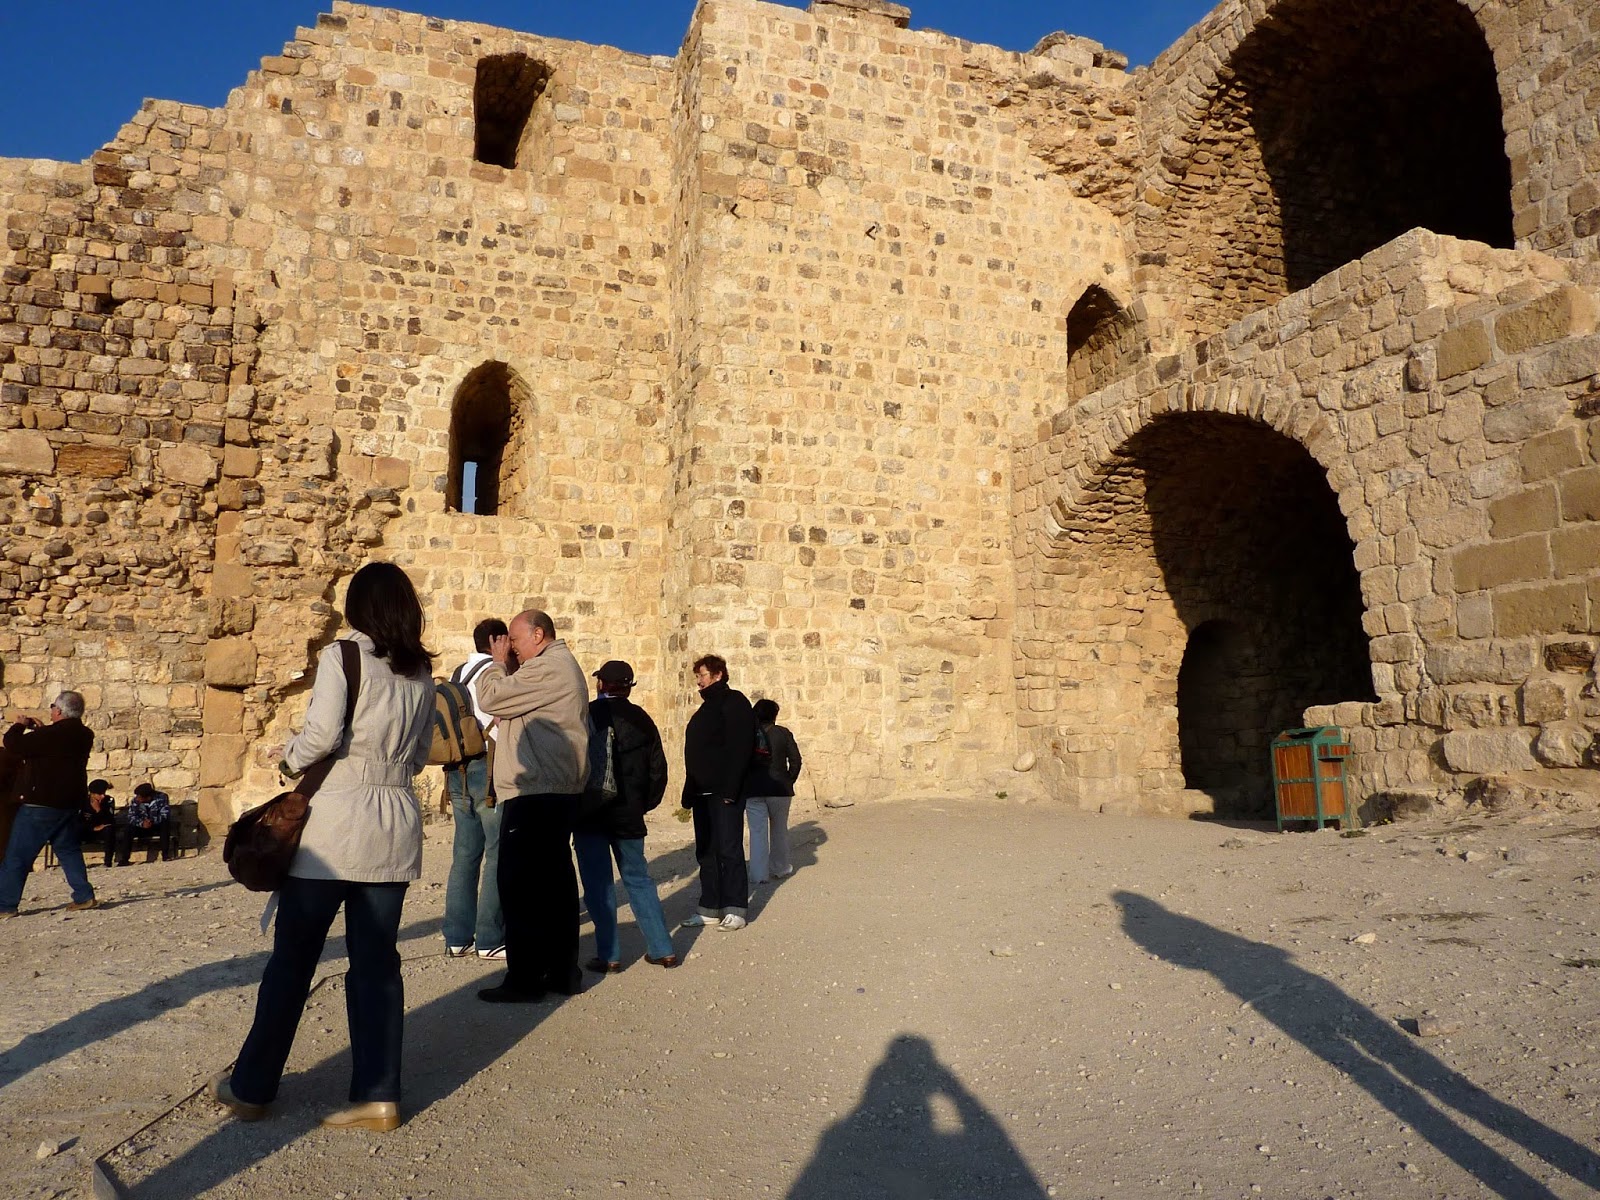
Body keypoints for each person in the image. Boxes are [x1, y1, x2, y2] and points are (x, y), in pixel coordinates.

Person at [210, 562, 436, 1134]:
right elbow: (417, 755)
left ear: (360, 607)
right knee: (377, 964)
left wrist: (284, 759)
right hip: (394, 819)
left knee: (293, 961)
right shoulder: (421, 673)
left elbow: (321, 737)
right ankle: (379, 1094)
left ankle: (253, 1086)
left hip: (337, 824)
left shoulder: (345, 657)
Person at [474, 609, 590, 1003]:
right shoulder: (556, 666)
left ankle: (525, 979)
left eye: (516, 640)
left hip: (536, 792)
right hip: (554, 791)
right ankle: (561, 972)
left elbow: (491, 698)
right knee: (553, 886)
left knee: (519, 886)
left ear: (538, 635)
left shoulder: (547, 669)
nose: (512, 649)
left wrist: (496, 664)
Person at [573, 660, 678, 972]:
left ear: (602, 684)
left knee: (599, 886)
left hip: (591, 814)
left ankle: (610, 954)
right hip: (629, 815)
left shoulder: (587, 715)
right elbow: (658, 770)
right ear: (628, 686)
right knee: (639, 879)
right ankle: (662, 948)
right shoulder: (643, 719)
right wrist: (643, 804)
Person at [442, 617, 507, 961]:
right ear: (496, 640)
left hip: (457, 771)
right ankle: (489, 938)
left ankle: (456, 936)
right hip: (488, 770)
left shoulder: (458, 674)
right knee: (496, 853)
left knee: (464, 855)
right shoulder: (493, 674)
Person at [0, 691, 97, 917]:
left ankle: (5, 905)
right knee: (68, 850)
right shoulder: (84, 735)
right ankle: (84, 896)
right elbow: (56, 746)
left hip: (41, 804)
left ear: (60, 710)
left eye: (53, 706)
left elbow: (13, 744)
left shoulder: (50, 736)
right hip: (70, 803)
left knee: (17, 856)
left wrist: (19, 725)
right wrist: (43, 731)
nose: (52, 710)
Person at [681, 655, 756, 931]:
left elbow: (740, 747)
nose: (698, 681)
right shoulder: (705, 709)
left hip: (724, 792)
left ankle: (736, 908)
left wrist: (731, 789)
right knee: (707, 852)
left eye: (702, 675)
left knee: (729, 849)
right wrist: (690, 791)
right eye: (697, 676)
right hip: (702, 792)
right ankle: (710, 907)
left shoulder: (734, 702)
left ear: (718, 674)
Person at [745, 698, 804, 886]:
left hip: (754, 789)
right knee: (779, 829)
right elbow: (796, 760)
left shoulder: (748, 735)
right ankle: (780, 867)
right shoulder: (783, 733)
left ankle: (758, 874)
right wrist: (789, 780)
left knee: (757, 832)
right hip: (779, 789)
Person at [113, 782, 171, 865]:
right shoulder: (135, 801)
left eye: (140, 797)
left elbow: (165, 814)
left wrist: (152, 821)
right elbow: (131, 817)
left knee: (165, 825)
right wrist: (141, 823)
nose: (137, 798)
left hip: (156, 825)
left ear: (148, 797)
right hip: (141, 827)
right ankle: (124, 859)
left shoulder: (162, 798)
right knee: (129, 829)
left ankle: (166, 855)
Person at [80, 779, 117, 868]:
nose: (103, 796)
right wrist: (92, 828)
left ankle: (108, 862)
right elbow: (79, 820)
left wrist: (98, 810)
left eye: (103, 793)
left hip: (102, 830)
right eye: (100, 794)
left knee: (109, 830)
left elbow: (109, 820)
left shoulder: (109, 800)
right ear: (92, 794)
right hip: (86, 830)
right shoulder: (83, 801)